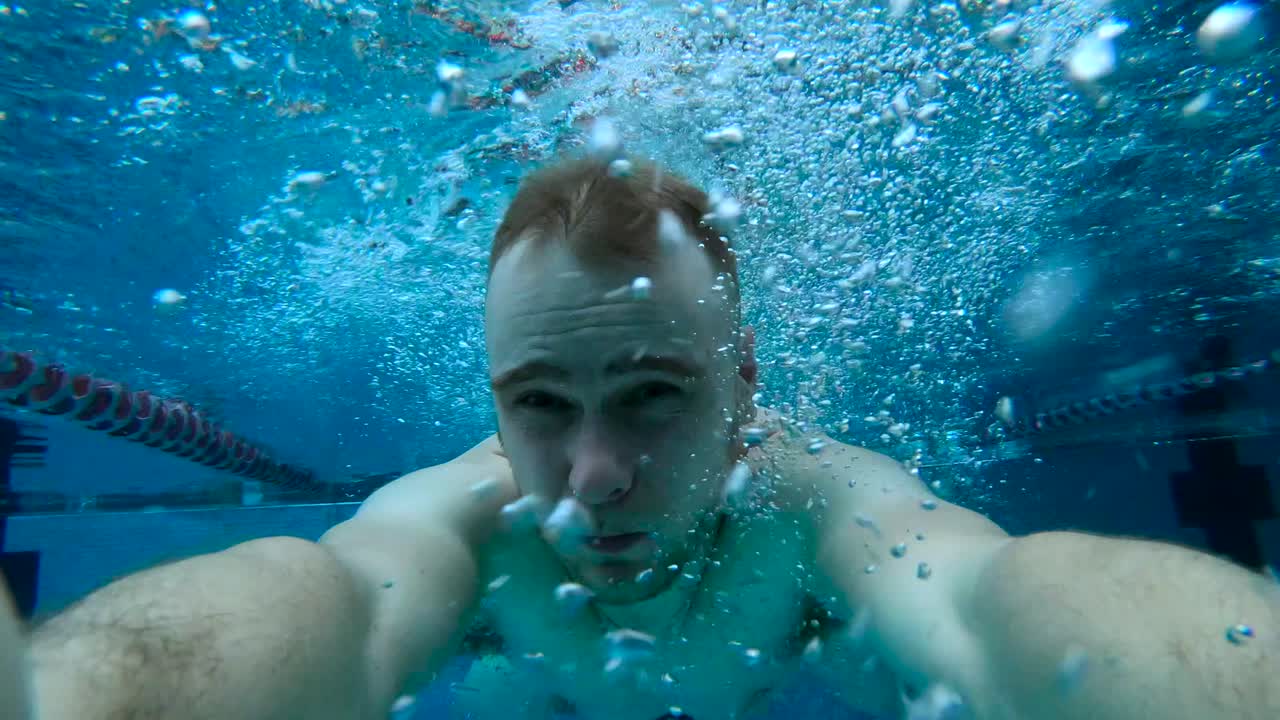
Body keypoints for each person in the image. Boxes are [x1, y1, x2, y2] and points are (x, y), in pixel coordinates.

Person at [3, 156, 1278, 720]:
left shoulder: (821, 497)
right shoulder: (462, 517)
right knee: (502, 686)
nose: (591, 478)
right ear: (493, 397)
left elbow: (993, 599)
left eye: (655, 395)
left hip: (763, 663)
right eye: (539, 405)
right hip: (544, 683)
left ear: (741, 385)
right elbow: (328, 605)